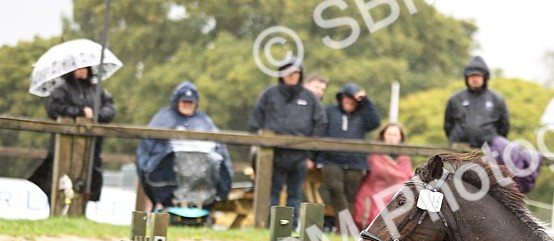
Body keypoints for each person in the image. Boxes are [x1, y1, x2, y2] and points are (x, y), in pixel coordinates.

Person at [136, 81, 232, 212]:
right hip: (170, 176)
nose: (187, 106)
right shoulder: (163, 119)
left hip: (201, 179)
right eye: (184, 102)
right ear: (177, 102)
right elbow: (147, 148)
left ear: (196, 104)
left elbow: (220, 149)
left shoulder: (205, 121)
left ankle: (202, 206)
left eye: (190, 103)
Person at [249, 58, 325, 218]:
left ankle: (292, 227)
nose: (292, 76)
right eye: (288, 72)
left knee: (295, 194)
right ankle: (269, 226)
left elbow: (320, 123)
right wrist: (259, 144)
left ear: (300, 74)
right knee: (273, 192)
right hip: (273, 154)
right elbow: (256, 121)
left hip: (300, 156)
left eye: (295, 72)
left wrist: (311, 154)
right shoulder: (269, 94)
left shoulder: (310, 98)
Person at [28, 66, 116, 203]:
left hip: (92, 141)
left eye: (85, 68)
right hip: (65, 140)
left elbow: (110, 110)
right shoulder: (62, 89)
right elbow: (54, 109)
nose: (82, 70)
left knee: (90, 172)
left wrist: (95, 115)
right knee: (59, 172)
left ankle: (85, 202)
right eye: (78, 68)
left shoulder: (97, 90)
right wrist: (79, 112)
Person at [317, 82, 380, 224]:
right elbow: (319, 131)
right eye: (347, 97)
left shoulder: (362, 116)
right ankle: (347, 226)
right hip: (331, 159)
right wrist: (315, 156)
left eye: (354, 99)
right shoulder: (330, 111)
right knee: (335, 189)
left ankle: (344, 230)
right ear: (341, 98)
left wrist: (365, 100)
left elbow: (375, 122)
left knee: (351, 196)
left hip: (356, 162)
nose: (350, 101)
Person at [353, 121, 413, 230]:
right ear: (383, 135)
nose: (391, 138)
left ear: (400, 138)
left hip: (396, 192)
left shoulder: (404, 157)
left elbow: (406, 176)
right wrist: (394, 175)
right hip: (374, 189)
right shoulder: (374, 154)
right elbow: (377, 171)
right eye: (389, 134)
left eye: (395, 135)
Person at [444, 56, 509, 149]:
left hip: (489, 149)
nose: (475, 79)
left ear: (484, 78)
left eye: (478, 76)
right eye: (472, 76)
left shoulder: (496, 99)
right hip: (460, 149)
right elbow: (448, 125)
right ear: (467, 78)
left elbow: (504, 126)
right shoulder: (456, 99)